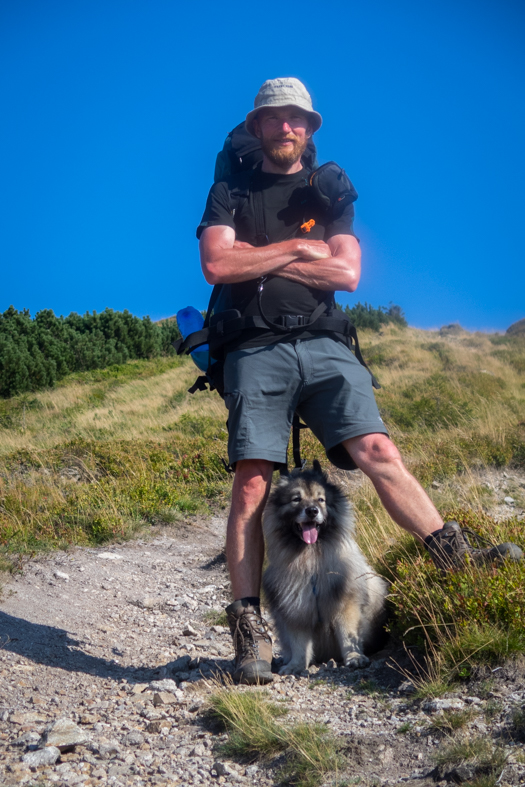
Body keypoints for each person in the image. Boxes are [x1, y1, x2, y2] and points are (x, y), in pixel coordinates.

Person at [196, 78, 522, 685]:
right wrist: (300, 248)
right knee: (251, 483)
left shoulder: (329, 191)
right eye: (276, 118)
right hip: (255, 345)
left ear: (310, 129)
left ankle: (459, 562)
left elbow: (347, 272)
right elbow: (217, 262)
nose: (287, 127)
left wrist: (264, 254)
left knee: (379, 451)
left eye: (298, 119)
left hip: (324, 342)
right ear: (258, 126)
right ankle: (248, 630)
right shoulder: (229, 191)